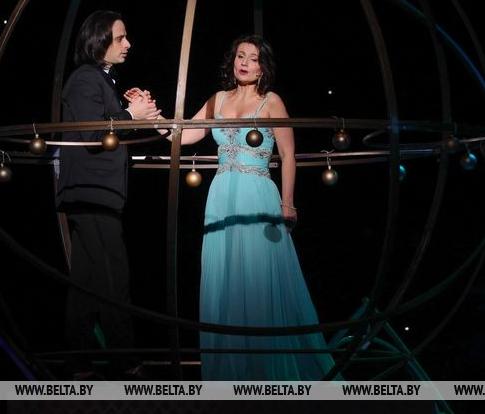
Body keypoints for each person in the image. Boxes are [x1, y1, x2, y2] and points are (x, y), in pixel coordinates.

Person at [135, 35, 336, 380]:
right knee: (225, 279)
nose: (244, 63)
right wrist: (152, 115)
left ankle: (267, 372)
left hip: (257, 196)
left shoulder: (271, 102)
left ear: (262, 68)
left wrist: (288, 203)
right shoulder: (218, 99)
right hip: (221, 197)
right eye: (240, 56)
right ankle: (231, 375)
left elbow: (288, 155)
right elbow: (185, 135)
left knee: (258, 279)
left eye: (253, 58)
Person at [56, 10, 160, 380]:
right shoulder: (86, 78)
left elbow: (108, 128)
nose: (127, 44)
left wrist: (136, 113)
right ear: (99, 40)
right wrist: (130, 115)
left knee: (86, 283)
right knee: (114, 276)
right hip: (92, 192)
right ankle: (125, 361)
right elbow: (92, 135)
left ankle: (79, 360)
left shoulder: (101, 80)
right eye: (120, 38)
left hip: (94, 193)